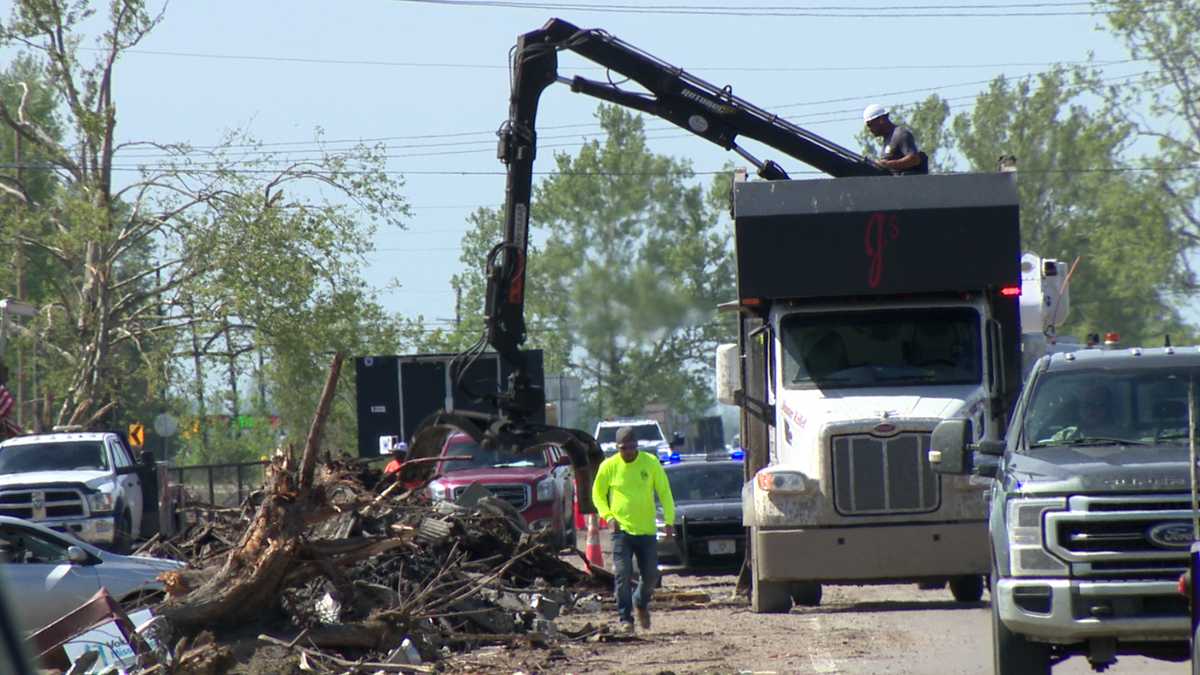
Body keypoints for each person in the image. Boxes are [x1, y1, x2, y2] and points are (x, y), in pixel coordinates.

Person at [592, 425, 676, 634]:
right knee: (622, 574)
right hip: (621, 531)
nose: (628, 452)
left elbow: (664, 492)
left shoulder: (650, 462)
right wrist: (608, 516)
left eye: (631, 447)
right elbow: (597, 495)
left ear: (636, 446)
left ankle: (640, 601)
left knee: (650, 576)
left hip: (646, 530)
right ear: (617, 448)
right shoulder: (609, 466)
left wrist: (669, 520)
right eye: (623, 448)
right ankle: (625, 618)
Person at [863, 103, 928, 175]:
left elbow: (914, 159)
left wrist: (887, 164)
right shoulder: (887, 138)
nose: (869, 129)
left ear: (881, 120)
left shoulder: (900, 134)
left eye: (870, 124)